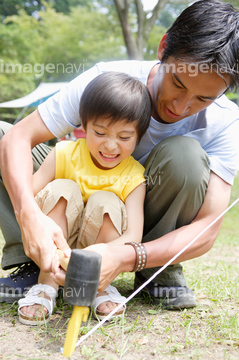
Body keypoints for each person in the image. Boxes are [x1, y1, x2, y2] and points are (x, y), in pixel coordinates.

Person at [0, 0, 239, 310]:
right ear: (163, 46)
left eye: (204, 98)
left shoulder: (226, 122)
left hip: (131, 221)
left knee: (186, 157)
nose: (181, 107)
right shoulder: (106, 83)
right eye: (177, 83)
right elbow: (20, 136)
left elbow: (207, 228)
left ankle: (156, 271)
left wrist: (127, 256)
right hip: (65, 196)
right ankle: (37, 259)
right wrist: (29, 215)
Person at [16, 71, 152, 325]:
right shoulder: (64, 153)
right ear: (83, 126)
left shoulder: (135, 176)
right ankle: (46, 285)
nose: (110, 146)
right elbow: (28, 199)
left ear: (138, 136)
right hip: (57, 246)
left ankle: (101, 287)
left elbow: (133, 236)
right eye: (100, 133)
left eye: (124, 137)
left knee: (107, 201)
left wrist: (103, 256)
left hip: (101, 254)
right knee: (63, 189)